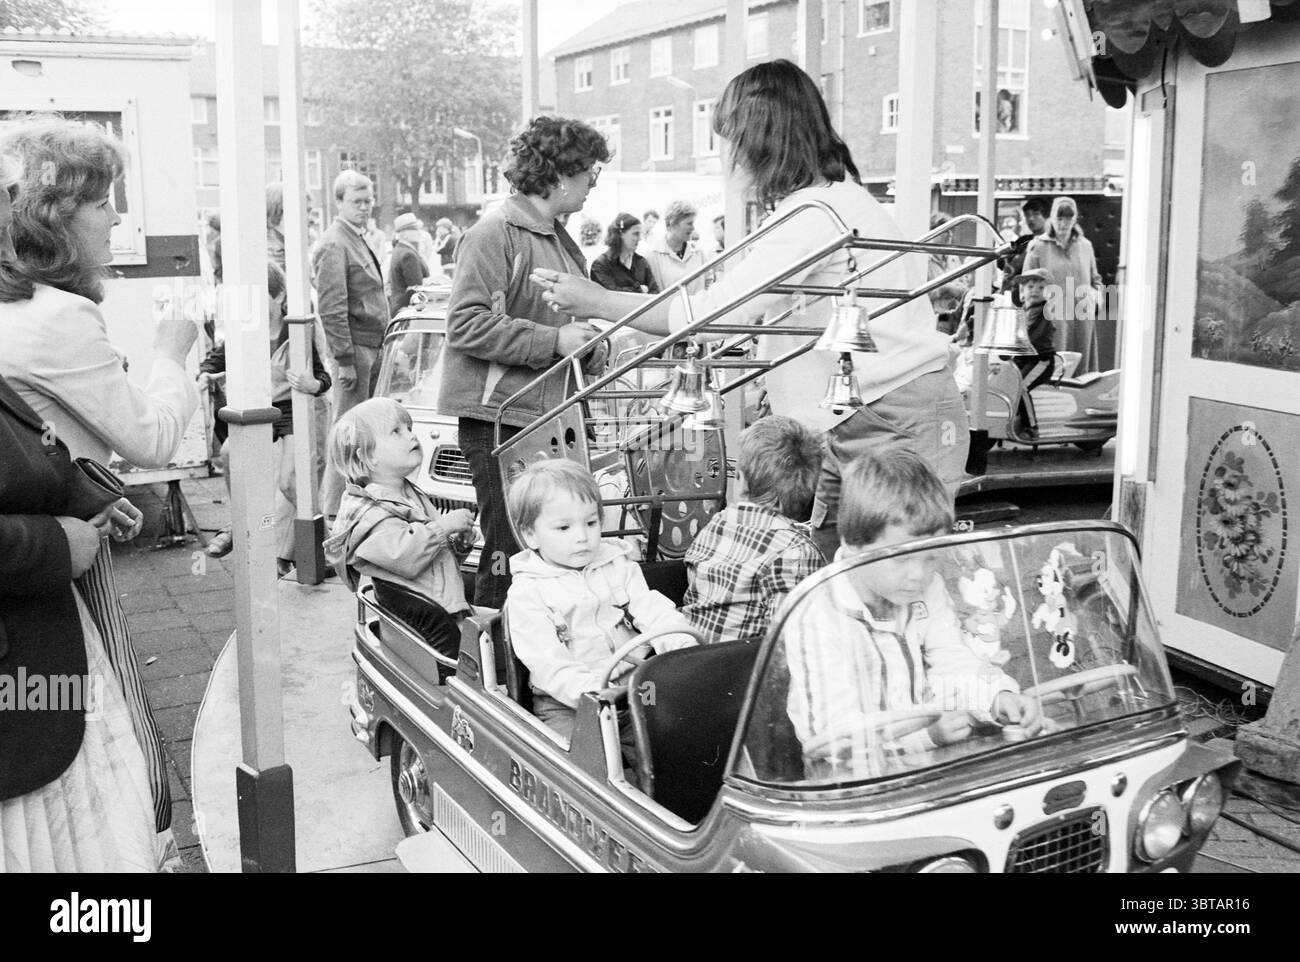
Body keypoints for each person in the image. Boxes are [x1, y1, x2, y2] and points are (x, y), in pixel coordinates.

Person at [533, 60, 970, 560]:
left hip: (890, 414)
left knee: (888, 575)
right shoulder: (828, 202)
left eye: (733, 138)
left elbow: (711, 315)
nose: (731, 156)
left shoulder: (814, 213)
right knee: (836, 571)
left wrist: (599, 301)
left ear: (762, 137)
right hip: (866, 414)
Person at [0, 117, 199, 861]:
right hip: (53, 582)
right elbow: (149, 439)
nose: (116, 217)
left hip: (65, 525)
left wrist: (83, 489)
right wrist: (171, 357)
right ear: (55, 214)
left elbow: (26, 441)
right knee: (107, 723)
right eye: (103, 201)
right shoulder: (58, 317)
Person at [436, 115, 611, 609]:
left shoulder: (554, 235)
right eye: (589, 173)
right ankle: (489, 665)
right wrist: (554, 341)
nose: (592, 184)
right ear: (559, 174)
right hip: (501, 421)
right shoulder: (495, 232)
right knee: (510, 548)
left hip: (541, 419)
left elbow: (569, 322)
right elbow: (465, 324)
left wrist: (592, 347)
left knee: (537, 551)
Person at [782, 447, 1042, 780]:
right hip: (846, 789)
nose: (918, 574)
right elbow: (834, 741)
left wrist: (998, 697)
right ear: (852, 544)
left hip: (925, 772)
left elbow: (953, 663)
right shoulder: (817, 615)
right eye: (901, 559)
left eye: (930, 557)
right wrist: (925, 738)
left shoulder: (923, 591)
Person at [504, 459, 696, 741]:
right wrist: (595, 691)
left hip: (635, 686)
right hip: (568, 703)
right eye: (564, 528)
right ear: (531, 535)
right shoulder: (527, 593)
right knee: (578, 763)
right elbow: (549, 664)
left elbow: (653, 611)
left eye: (591, 523)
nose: (582, 537)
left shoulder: (617, 564)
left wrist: (681, 645)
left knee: (682, 736)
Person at [324, 398, 475, 679]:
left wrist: (457, 542)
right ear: (365, 457)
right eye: (397, 431)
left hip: (441, 599)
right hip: (428, 614)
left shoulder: (407, 493)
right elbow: (405, 556)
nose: (411, 435)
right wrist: (442, 528)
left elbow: (434, 557)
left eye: (409, 427)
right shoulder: (371, 514)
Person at [197, 264, 332, 575]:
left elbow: (323, 375)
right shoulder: (247, 330)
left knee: (289, 481)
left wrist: (314, 384)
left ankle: (324, 545)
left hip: (294, 409)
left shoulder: (296, 331)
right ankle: (238, 522)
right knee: (230, 452)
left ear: (279, 295)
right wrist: (205, 373)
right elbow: (219, 356)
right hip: (265, 406)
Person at [682, 416, 825, 645]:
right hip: (738, 671)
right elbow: (789, 644)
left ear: (740, 480)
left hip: (685, 653)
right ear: (809, 492)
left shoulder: (719, 522)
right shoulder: (797, 552)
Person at [314, 169, 391, 518]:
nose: (365, 207)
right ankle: (332, 514)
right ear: (339, 202)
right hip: (356, 352)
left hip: (368, 348)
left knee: (359, 433)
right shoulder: (335, 242)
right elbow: (332, 307)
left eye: (368, 200)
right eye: (356, 201)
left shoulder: (354, 237)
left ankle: (351, 508)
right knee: (346, 434)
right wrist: (344, 359)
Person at [1024, 196, 1103, 374]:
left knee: (1082, 372)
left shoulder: (1086, 246)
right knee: (1055, 370)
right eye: (1059, 218)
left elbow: (1095, 280)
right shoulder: (1038, 247)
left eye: (1069, 218)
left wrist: (1095, 301)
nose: (1063, 224)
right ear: (1052, 218)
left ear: (1075, 219)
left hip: (1082, 318)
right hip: (1051, 322)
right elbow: (1026, 285)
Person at [643, 199, 707, 292]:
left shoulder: (698, 252)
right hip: (668, 306)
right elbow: (652, 291)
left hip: (698, 306)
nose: (693, 228)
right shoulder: (653, 254)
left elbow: (709, 281)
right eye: (689, 223)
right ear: (672, 224)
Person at [589, 212, 659, 294]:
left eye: (640, 234)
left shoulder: (642, 262)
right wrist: (639, 289)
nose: (640, 238)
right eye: (635, 234)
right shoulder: (601, 265)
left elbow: (655, 295)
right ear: (620, 234)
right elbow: (612, 297)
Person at [1001, 197, 1048, 302]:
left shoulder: (1051, 243)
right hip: (1015, 297)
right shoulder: (1023, 241)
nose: (1031, 219)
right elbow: (1004, 265)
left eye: (1036, 214)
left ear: (1047, 217)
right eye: (1027, 215)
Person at [387, 211, 431, 314]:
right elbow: (417, 288)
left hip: (399, 307)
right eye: (415, 229)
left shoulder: (399, 249)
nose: (419, 232)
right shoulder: (408, 255)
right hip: (408, 309)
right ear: (405, 234)